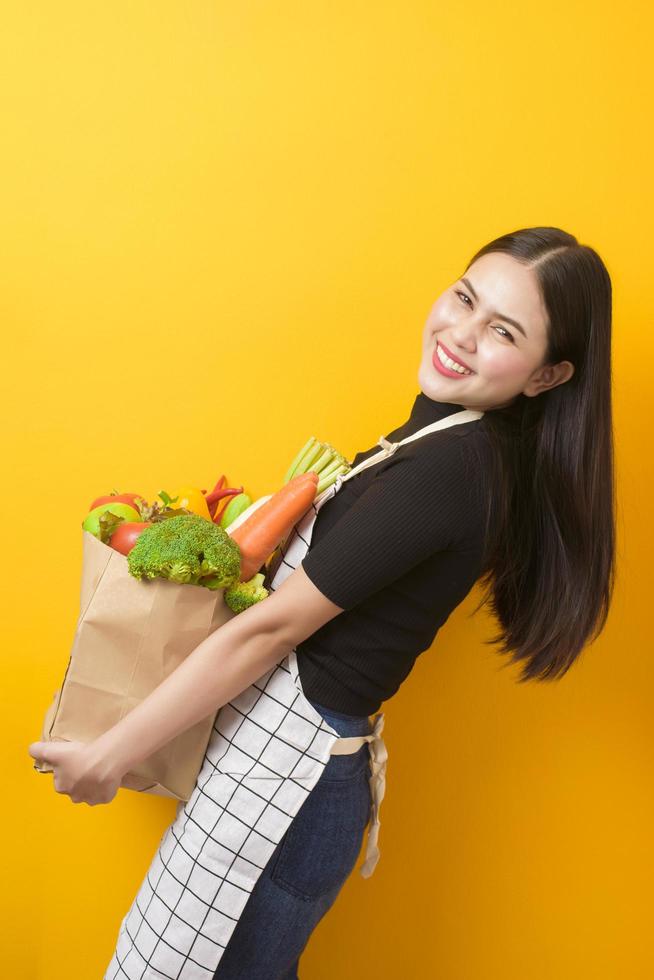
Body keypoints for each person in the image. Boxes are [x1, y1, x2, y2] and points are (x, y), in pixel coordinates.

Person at [28, 226, 616, 978]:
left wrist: (110, 756)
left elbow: (271, 630)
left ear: (545, 375)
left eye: (503, 331)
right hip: (282, 775)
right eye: (465, 298)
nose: (460, 335)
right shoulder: (436, 439)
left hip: (289, 788)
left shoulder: (455, 468)